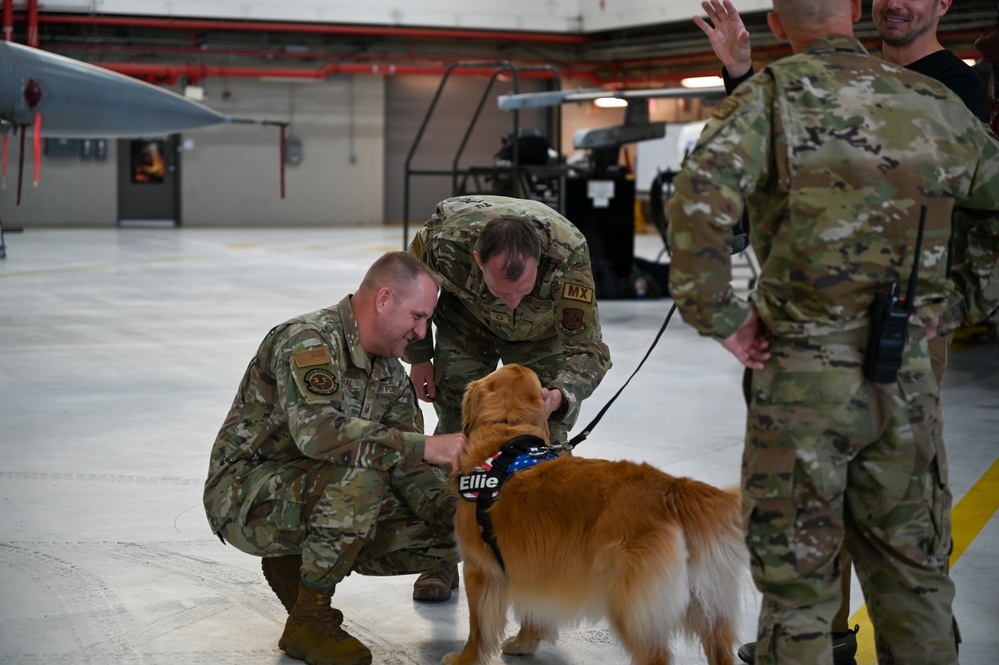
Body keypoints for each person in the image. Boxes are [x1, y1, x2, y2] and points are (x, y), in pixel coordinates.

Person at [668, 1, 999, 664]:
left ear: (780, 24)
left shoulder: (766, 100)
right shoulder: (932, 100)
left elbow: (694, 209)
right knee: (914, 578)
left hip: (798, 381)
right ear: (853, 11)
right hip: (903, 372)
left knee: (798, 592)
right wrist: (958, 300)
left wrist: (728, 323)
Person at [203, 251, 468, 665]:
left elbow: (409, 467)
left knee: (462, 531)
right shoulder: (308, 340)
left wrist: (454, 510)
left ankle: (294, 567)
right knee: (362, 476)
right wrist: (426, 445)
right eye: (417, 317)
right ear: (383, 300)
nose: (421, 333)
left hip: (312, 493)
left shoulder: (390, 373)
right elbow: (320, 434)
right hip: (244, 495)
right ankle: (309, 619)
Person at [405, 194, 612, 446]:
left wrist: (561, 394)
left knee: (547, 432)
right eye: (500, 291)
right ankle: (451, 484)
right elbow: (407, 301)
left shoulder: (567, 259)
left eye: (524, 291)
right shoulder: (443, 242)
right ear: (478, 260)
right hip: (467, 324)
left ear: (539, 260)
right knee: (455, 421)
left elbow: (589, 349)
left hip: (539, 335)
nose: (512, 302)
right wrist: (419, 357)